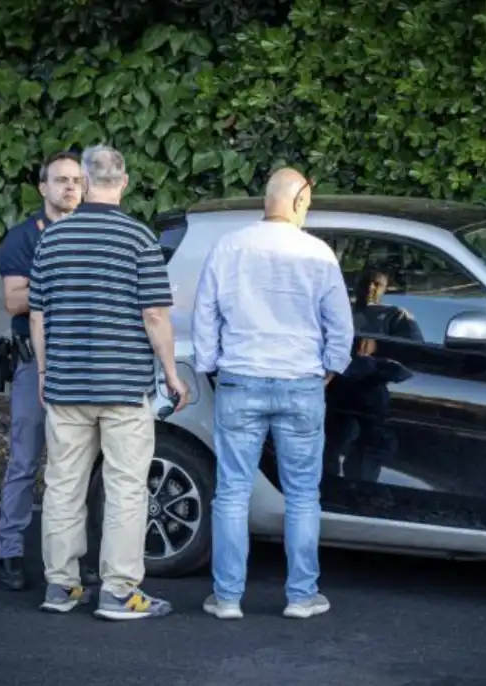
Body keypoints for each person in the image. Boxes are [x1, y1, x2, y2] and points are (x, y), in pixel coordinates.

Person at [28, 144, 189, 620]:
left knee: (62, 485)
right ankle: (118, 592)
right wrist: (172, 374)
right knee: (125, 487)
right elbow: (155, 314)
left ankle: (61, 586)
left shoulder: (53, 239)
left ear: (84, 178)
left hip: (66, 385)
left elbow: (39, 314)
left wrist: (43, 372)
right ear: (123, 181)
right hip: (123, 387)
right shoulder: (139, 239)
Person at [192, 167, 354, 620]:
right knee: (303, 495)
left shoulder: (229, 246)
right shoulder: (318, 253)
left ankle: (226, 598)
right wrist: (329, 368)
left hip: (240, 380)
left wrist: (209, 366)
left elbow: (205, 314)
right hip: (300, 383)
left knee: (232, 492)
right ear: (300, 200)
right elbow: (340, 325)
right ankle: (301, 596)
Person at [0, 151, 100, 592]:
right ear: (43, 189)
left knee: (80, 465)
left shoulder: (95, 234)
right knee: (23, 461)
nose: (70, 187)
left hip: (85, 360)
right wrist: (67, 278)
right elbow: (16, 301)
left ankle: (77, 556)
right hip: (35, 361)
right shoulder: (23, 237)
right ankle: (10, 550)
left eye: (77, 180)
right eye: (61, 180)